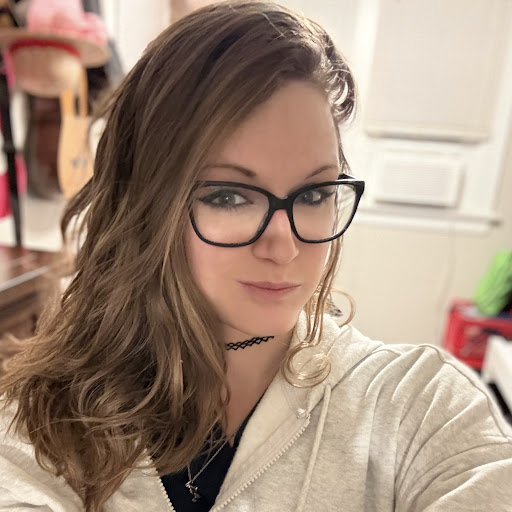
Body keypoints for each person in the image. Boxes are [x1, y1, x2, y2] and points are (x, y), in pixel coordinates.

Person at [0, 1, 511, 511]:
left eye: (314, 193)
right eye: (229, 196)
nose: (285, 246)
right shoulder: (42, 421)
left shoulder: (419, 407)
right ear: (144, 205)